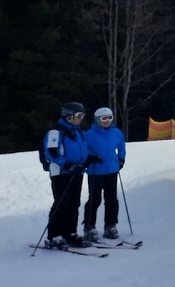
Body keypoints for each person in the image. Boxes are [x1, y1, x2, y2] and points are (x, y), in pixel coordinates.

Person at [41, 102, 93, 248]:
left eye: (82, 115)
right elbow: (52, 153)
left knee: (74, 203)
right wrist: (68, 165)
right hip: (61, 173)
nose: (81, 118)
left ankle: (70, 233)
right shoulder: (56, 132)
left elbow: (81, 149)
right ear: (69, 116)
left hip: (77, 172)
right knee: (61, 203)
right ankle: (54, 236)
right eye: (79, 116)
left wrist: (87, 159)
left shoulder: (77, 131)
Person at [82, 107, 127, 242]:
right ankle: (89, 227)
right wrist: (90, 158)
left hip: (112, 170)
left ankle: (110, 226)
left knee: (112, 199)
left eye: (110, 118)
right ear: (97, 120)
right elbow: (83, 150)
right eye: (104, 118)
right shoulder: (89, 134)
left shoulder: (116, 133)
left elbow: (122, 147)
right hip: (95, 171)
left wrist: (121, 159)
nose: (107, 121)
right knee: (95, 199)